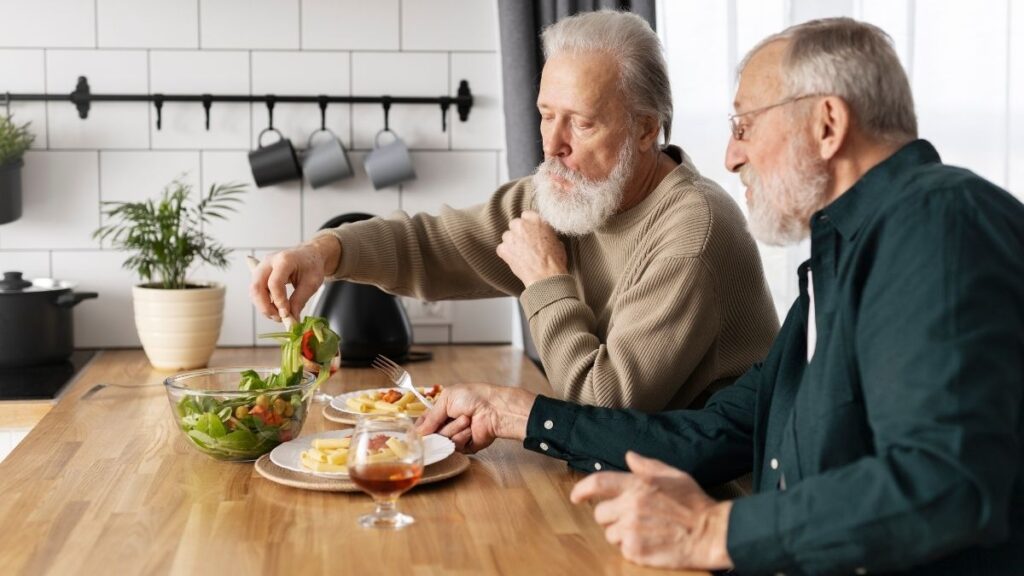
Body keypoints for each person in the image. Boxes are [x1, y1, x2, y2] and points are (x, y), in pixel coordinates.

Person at [417, 17, 1024, 574]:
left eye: (744, 126)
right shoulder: (841, 258)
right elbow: (712, 436)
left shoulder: (940, 221)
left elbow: (946, 484)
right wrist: (520, 415)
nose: (731, 156)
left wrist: (715, 530)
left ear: (828, 124)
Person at [250, 11, 778, 412]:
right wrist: (324, 251)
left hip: (709, 510)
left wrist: (546, 280)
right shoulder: (575, 192)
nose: (552, 144)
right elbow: (435, 245)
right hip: (621, 479)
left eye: (582, 123)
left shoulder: (693, 230)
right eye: (547, 115)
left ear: (645, 128)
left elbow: (605, 401)